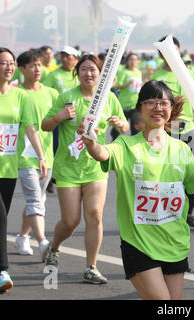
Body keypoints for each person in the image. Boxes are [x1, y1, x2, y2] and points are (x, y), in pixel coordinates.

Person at [80, 80, 194, 300]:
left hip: (175, 244)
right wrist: (90, 141)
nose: (157, 108)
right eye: (150, 103)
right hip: (139, 244)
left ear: (172, 109)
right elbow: (102, 153)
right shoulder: (126, 146)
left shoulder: (181, 149)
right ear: (140, 108)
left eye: (163, 103)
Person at [42, 54, 129, 284]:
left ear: (101, 74)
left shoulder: (108, 98)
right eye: (84, 69)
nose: (89, 74)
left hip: (95, 166)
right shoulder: (67, 97)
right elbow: (45, 124)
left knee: (95, 216)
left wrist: (120, 124)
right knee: (71, 221)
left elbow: (125, 125)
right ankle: (54, 247)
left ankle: (91, 266)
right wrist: (59, 117)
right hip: (69, 167)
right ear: (77, 73)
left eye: (93, 70)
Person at [0, 47, 46, 293]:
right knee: (0, 217)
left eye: (12, 62)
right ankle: (2, 270)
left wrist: (41, 156)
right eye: (3, 63)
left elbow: (30, 128)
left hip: (8, 166)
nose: (8, 67)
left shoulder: (21, 97)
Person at [152, 36, 194, 230]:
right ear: (160, 54)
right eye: (166, 51)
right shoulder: (158, 77)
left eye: (174, 50)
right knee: (169, 177)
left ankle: (187, 212)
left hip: (190, 130)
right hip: (167, 132)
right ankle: (168, 214)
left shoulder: (187, 73)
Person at [15, 50, 58, 260]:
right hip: (25, 155)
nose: (38, 69)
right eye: (32, 66)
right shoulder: (17, 93)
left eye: (39, 65)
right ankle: (43, 243)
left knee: (38, 199)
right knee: (34, 198)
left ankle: (23, 235)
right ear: (21, 69)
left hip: (47, 154)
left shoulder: (51, 93)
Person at [43, 46, 81, 193]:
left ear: (75, 59)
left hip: (77, 118)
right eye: (63, 56)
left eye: (68, 56)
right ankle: (54, 177)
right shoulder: (53, 75)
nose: (65, 59)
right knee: (57, 146)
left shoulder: (80, 75)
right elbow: (45, 92)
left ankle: (72, 174)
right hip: (59, 117)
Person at [113, 52, 143, 138]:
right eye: (131, 59)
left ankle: (133, 148)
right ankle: (113, 143)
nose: (133, 61)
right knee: (117, 129)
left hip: (135, 105)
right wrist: (128, 83)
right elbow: (116, 87)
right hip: (124, 105)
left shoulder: (138, 72)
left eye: (135, 59)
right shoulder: (124, 72)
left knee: (135, 129)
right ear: (127, 61)